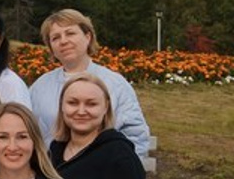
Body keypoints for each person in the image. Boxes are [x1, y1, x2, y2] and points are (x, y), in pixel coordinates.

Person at [29, 9, 151, 157]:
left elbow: (136, 136)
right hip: (51, 169)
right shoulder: (39, 87)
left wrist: (121, 168)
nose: (63, 41)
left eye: (70, 33)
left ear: (88, 37)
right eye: (55, 38)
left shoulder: (115, 84)